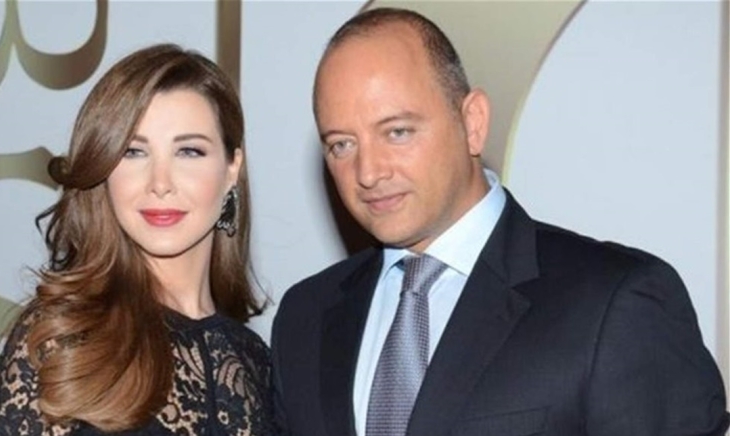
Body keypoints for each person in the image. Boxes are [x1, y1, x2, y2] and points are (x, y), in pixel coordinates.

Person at [271, 7, 729, 436]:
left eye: (397, 132)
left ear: (473, 122)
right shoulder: (304, 318)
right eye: (342, 145)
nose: (369, 172)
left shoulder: (614, 302)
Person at [0, 43, 277, 435]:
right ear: (105, 169)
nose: (160, 183)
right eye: (134, 152)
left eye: (189, 151)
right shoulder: (61, 341)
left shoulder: (257, 363)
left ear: (231, 168)